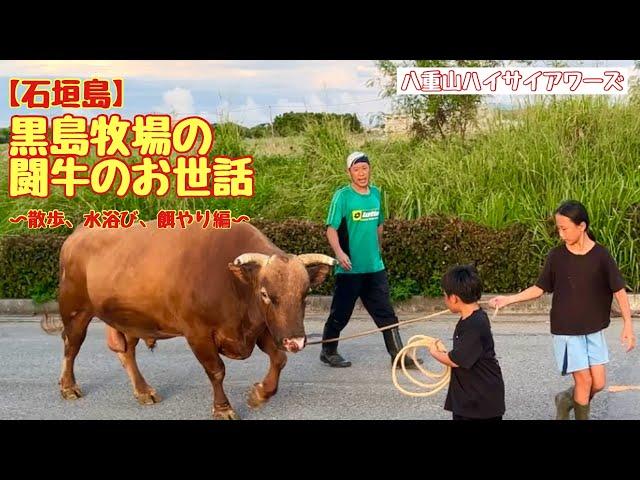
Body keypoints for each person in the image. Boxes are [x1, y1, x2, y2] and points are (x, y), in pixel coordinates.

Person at [489, 200, 636, 420]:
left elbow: (619, 291)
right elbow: (539, 288)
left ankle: (566, 399)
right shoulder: (556, 256)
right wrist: (508, 299)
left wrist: (628, 325)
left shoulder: (601, 256)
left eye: (564, 228)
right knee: (584, 382)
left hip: (593, 329)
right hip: (567, 330)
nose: (561, 234)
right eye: (559, 228)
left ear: (582, 226)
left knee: (599, 383)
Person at [320, 151, 421, 369]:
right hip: (349, 269)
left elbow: (379, 224)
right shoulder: (343, 197)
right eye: (356, 169)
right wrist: (339, 253)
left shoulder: (375, 193)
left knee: (386, 312)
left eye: (364, 168)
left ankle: (398, 355)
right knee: (341, 313)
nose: (361, 173)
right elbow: (331, 229)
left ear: (370, 169)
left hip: (374, 268)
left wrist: (378, 249)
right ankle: (328, 351)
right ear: (349, 173)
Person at [428, 265, 505, 420]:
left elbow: (457, 360)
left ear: (454, 298)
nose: (444, 299)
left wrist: (435, 353)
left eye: (445, 295)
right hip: (470, 396)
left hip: (480, 400)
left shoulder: (474, 324)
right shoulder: (472, 317)